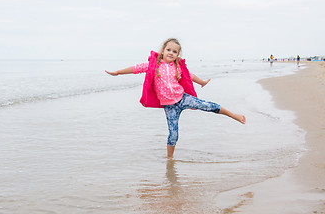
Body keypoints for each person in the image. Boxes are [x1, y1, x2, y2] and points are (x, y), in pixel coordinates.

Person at [105, 38, 246, 159]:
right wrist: (118, 72)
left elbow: (189, 75)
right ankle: (170, 158)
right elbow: (136, 68)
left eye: (174, 51)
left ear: (178, 54)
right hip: (169, 106)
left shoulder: (177, 66)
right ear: (163, 51)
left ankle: (234, 115)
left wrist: (202, 82)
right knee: (173, 134)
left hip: (183, 98)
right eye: (168, 50)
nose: (171, 53)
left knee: (209, 106)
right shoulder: (153, 66)